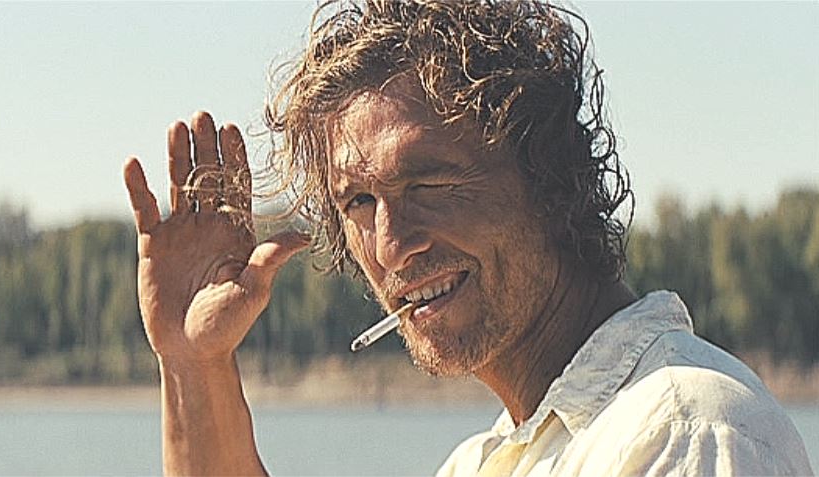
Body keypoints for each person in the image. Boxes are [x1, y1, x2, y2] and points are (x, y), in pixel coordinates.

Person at [122, 1, 813, 475]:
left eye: (428, 183)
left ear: (547, 173)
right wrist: (193, 366)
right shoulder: (488, 460)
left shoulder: (687, 431)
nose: (391, 243)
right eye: (358, 201)